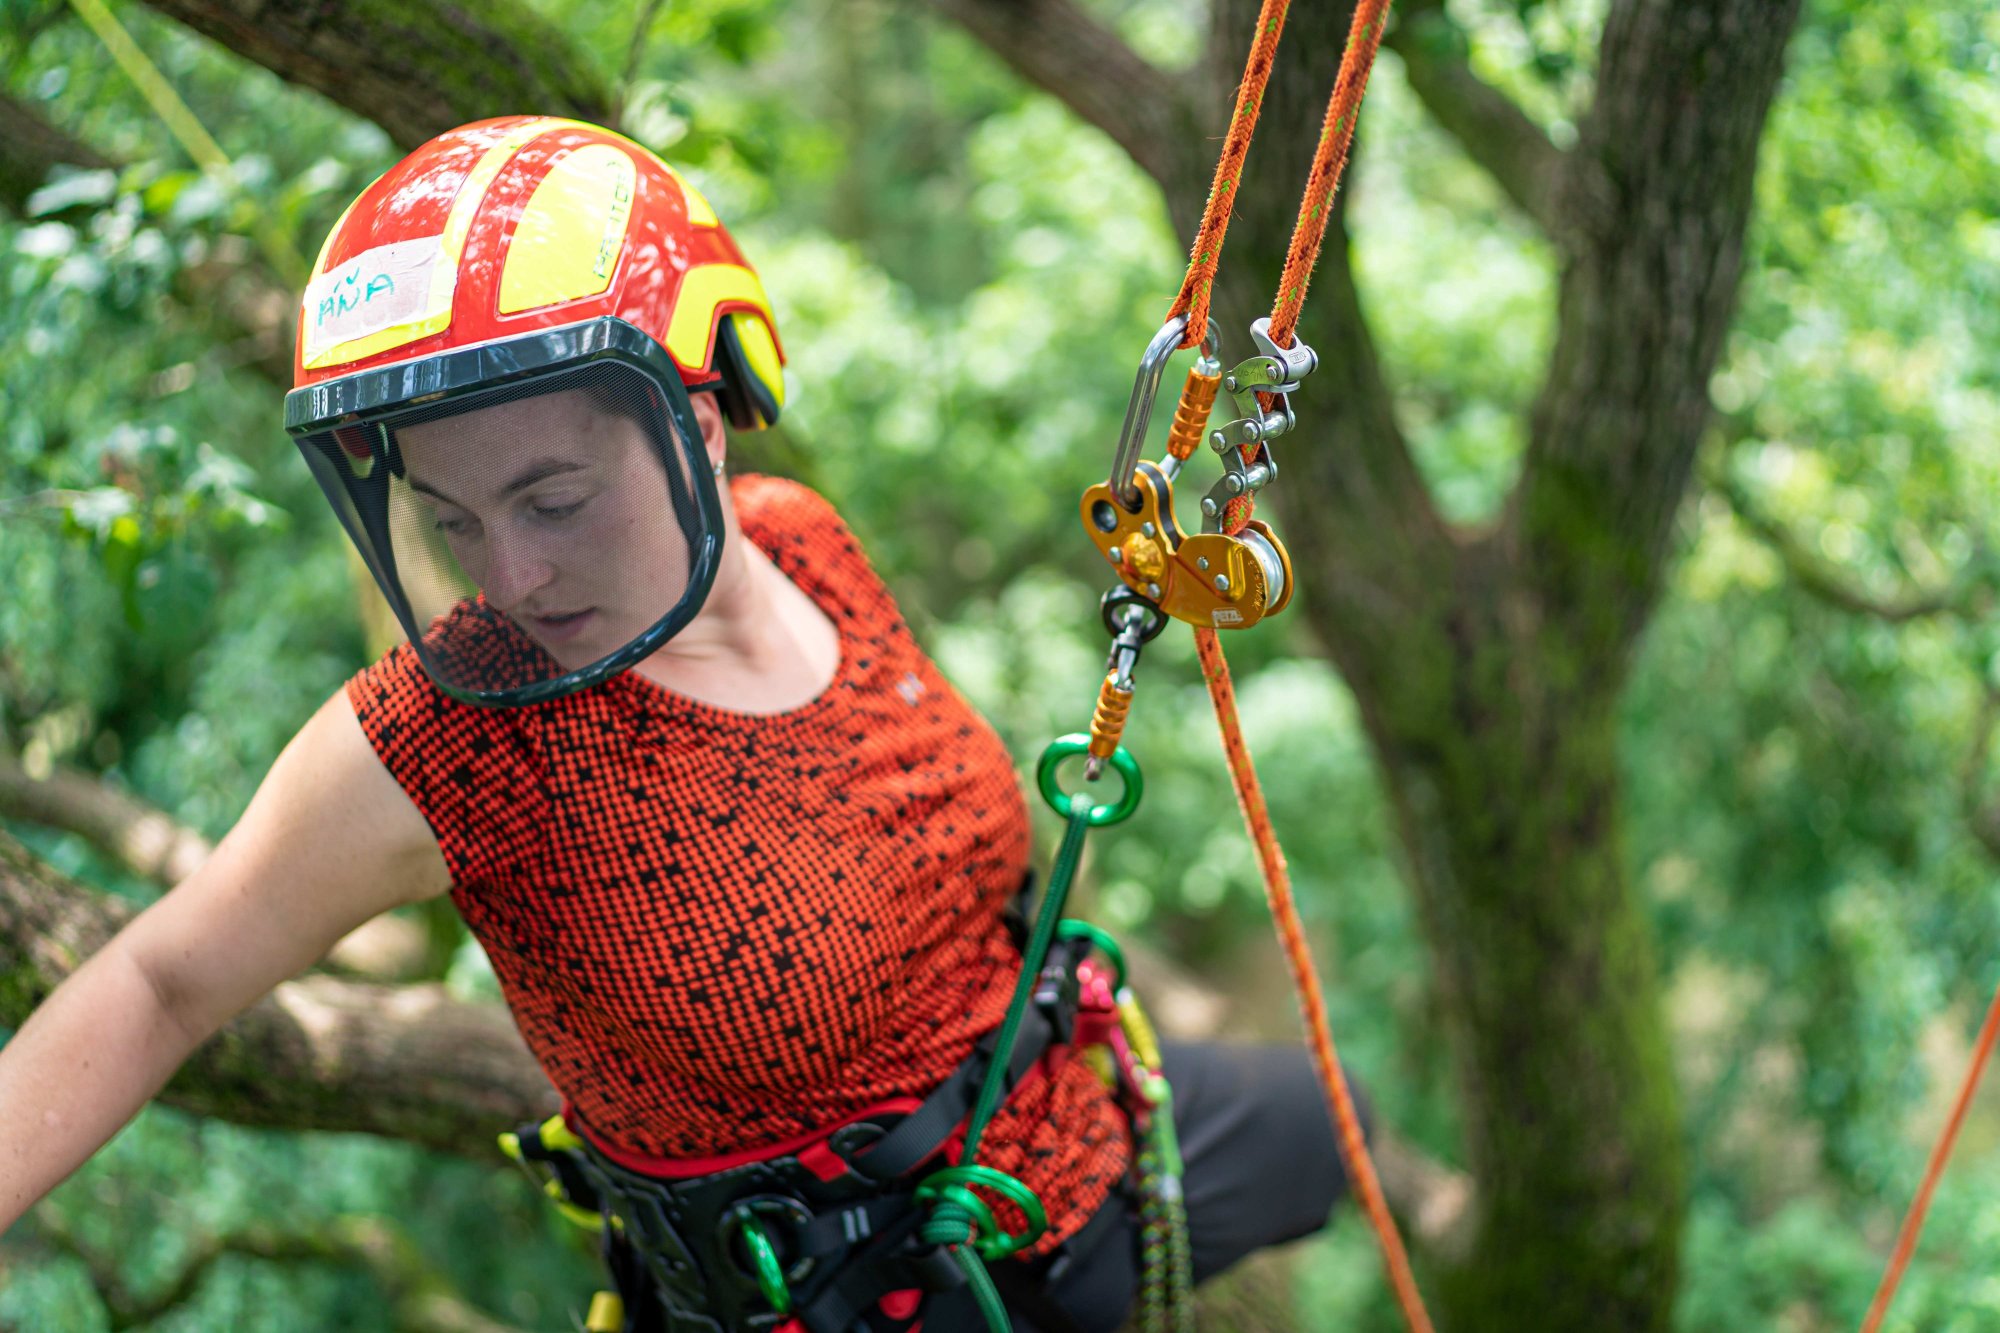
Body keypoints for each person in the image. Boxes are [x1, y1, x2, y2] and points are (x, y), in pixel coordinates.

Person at [0, 116, 1361, 1332]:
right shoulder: (457, 734)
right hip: (844, 1292)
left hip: (1077, 1148)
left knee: (1337, 1129)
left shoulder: (803, 538)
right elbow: (159, 982)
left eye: (553, 499)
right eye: (450, 519)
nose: (509, 577)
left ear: (698, 419)